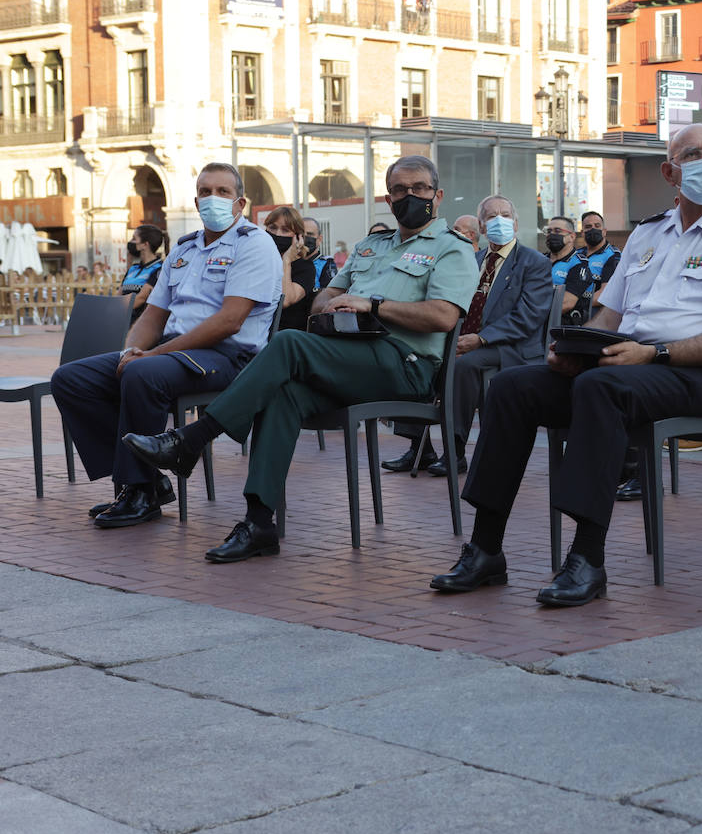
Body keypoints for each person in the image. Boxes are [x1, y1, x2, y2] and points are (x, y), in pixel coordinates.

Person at [428, 122, 702, 606]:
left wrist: (652, 353)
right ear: (670, 172)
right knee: (511, 387)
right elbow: (608, 314)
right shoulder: (648, 233)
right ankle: (486, 549)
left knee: (601, 388)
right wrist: (574, 348)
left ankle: (587, 558)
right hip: (627, 366)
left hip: (698, 375)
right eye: (691, 153)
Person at [122, 155, 478, 563]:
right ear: (388, 197)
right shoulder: (370, 245)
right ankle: (258, 523)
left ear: (438, 195)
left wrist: (371, 305)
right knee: (284, 393)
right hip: (350, 356)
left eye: (419, 189)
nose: (409, 196)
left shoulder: (452, 248)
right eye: (399, 190)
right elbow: (320, 299)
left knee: (289, 343)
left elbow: (443, 316)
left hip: (407, 364)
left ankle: (193, 438)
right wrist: (337, 303)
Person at [50, 163, 281, 529]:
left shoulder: (254, 245)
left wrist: (153, 355)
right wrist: (131, 351)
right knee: (70, 379)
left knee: (143, 373)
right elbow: (153, 316)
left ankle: (138, 491)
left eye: (222, 192)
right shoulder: (183, 250)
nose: (212, 199)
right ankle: (148, 482)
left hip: (229, 355)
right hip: (175, 352)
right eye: (205, 192)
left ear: (241, 203)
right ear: (195, 199)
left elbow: (230, 321)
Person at [384, 194, 553, 477]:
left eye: (505, 214)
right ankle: (420, 447)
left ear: (516, 222)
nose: (500, 220)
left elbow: (529, 316)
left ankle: (455, 450)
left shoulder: (532, 262)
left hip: (511, 346)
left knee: (462, 365)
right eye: (491, 216)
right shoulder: (471, 259)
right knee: (414, 355)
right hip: (465, 339)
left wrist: (481, 339)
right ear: (482, 228)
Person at [263, 206, 319, 332]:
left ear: (298, 236)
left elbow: (285, 300)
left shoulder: (305, 268)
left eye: (285, 230)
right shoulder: (260, 261)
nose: (277, 234)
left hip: (286, 337)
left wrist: (286, 261)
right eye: (272, 227)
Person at [560, 211, 622, 326]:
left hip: (595, 312)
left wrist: (573, 302)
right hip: (569, 309)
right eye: (588, 227)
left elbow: (605, 294)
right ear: (582, 233)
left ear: (604, 231)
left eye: (597, 226)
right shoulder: (576, 254)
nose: (593, 229)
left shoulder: (613, 256)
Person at [119, 224, 165, 318]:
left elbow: (141, 298)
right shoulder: (133, 269)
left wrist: (114, 309)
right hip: (122, 319)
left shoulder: (159, 269)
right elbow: (119, 295)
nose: (131, 242)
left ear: (145, 244)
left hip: (139, 322)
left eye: (134, 238)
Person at [302, 217, 337, 291]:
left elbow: (330, 293)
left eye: (310, 234)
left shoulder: (326, 263)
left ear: (319, 239)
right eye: (301, 234)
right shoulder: (289, 262)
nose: (305, 238)